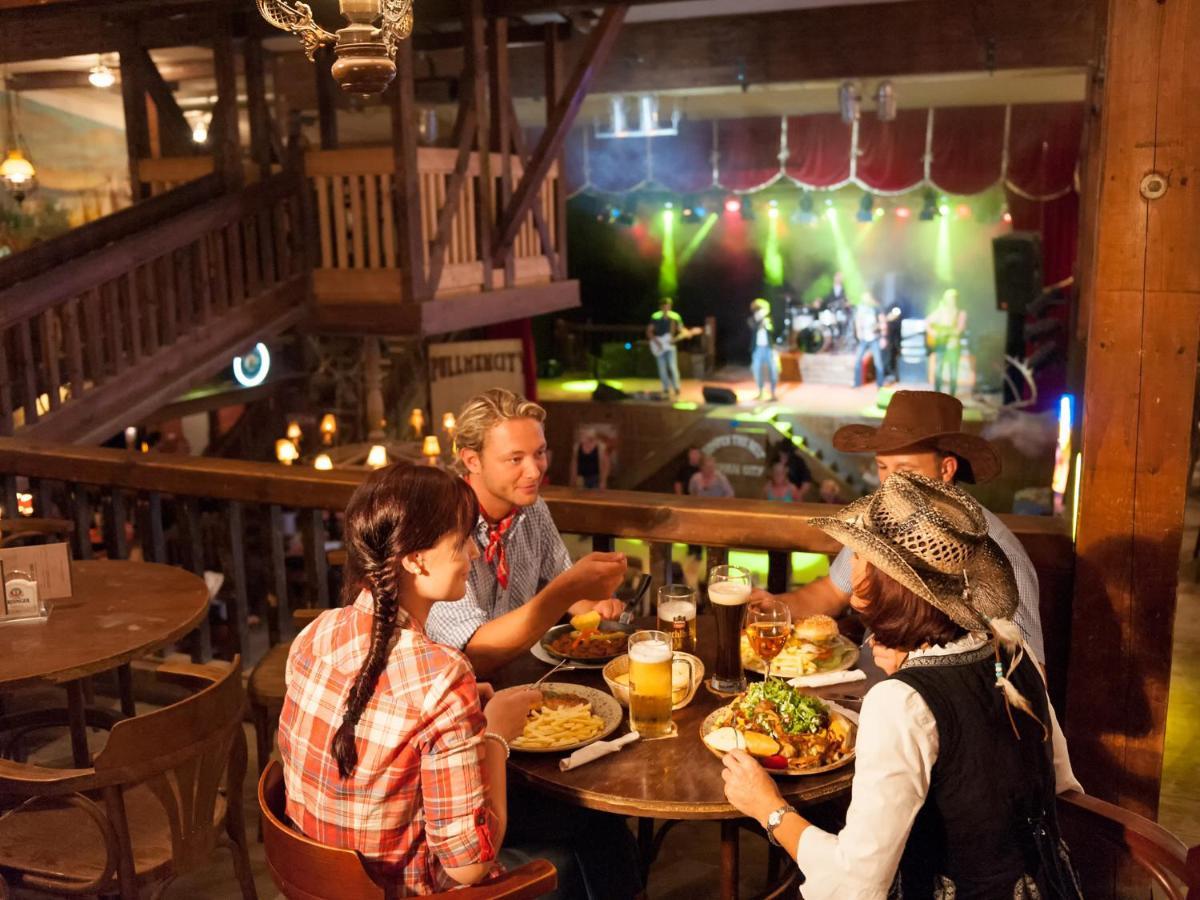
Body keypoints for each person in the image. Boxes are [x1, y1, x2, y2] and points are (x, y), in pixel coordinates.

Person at [722, 473, 1082, 899]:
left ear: (883, 579)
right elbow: (1061, 787)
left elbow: (855, 888)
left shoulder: (901, 703)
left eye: (856, 555)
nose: (848, 566)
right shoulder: (1013, 650)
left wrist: (770, 810)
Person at [277, 463, 543, 894]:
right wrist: (496, 735)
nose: (474, 556)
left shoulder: (317, 632)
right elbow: (469, 868)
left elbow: (371, 710)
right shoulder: (442, 678)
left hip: (314, 883)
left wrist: (452, 719)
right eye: (461, 544)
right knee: (587, 839)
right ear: (416, 560)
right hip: (402, 891)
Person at [757, 390, 1045, 663]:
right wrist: (775, 608)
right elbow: (833, 592)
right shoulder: (881, 520)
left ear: (946, 470)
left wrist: (920, 667)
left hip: (933, 708)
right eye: (882, 467)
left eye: (905, 471)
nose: (890, 484)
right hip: (868, 688)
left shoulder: (998, 556)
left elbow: (1029, 673)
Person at [424, 390, 627, 675]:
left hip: (516, 672)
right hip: (449, 690)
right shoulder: (440, 522)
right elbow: (472, 655)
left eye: (539, 453)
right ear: (472, 460)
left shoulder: (532, 508)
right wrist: (567, 590)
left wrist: (592, 602)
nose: (534, 472)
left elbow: (559, 585)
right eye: (515, 459)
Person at [927, 288, 968, 395]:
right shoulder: (940, 311)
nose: (952, 300)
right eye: (950, 298)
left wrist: (951, 332)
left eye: (954, 298)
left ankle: (952, 396)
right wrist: (934, 333)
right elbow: (927, 322)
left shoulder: (960, 313)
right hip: (941, 344)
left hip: (953, 346)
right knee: (938, 370)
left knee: (953, 372)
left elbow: (959, 329)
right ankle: (937, 395)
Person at [647, 297, 685, 398]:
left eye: (668, 306)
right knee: (661, 368)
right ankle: (666, 388)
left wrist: (677, 338)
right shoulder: (655, 316)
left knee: (672, 367)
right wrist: (657, 342)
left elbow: (682, 331)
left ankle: (676, 387)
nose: (666, 308)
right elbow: (649, 331)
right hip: (659, 345)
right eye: (664, 306)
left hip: (671, 346)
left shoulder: (675, 316)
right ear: (660, 307)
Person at [852, 291, 887, 388]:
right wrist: (859, 332)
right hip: (864, 338)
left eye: (866, 297)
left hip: (874, 338)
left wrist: (884, 337)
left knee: (878, 362)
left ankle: (880, 384)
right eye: (863, 297)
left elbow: (883, 322)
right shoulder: (861, 307)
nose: (865, 299)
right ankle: (857, 383)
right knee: (857, 360)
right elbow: (858, 320)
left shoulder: (876, 307)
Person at [748, 298, 779, 401]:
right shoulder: (752, 319)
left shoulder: (769, 319)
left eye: (762, 309)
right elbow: (753, 327)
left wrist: (766, 324)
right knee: (757, 370)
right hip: (757, 349)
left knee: (773, 370)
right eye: (758, 310)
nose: (761, 312)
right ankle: (760, 392)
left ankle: (773, 393)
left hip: (768, 348)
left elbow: (773, 330)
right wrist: (759, 320)